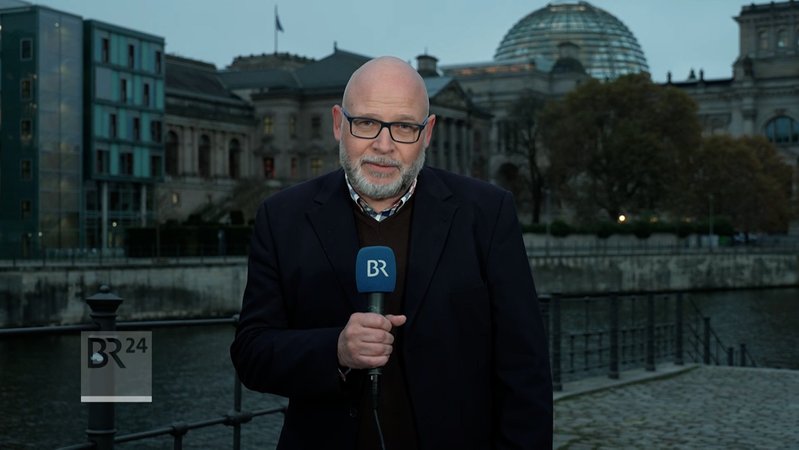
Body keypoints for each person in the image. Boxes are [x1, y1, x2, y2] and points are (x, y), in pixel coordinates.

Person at [230, 56, 552, 450]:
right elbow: (251, 353)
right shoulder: (282, 217)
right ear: (337, 123)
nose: (384, 146)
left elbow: (525, 368)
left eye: (403, 127)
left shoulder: (486, 213)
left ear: (428, 132)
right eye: (365, 123)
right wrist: (336, 350)